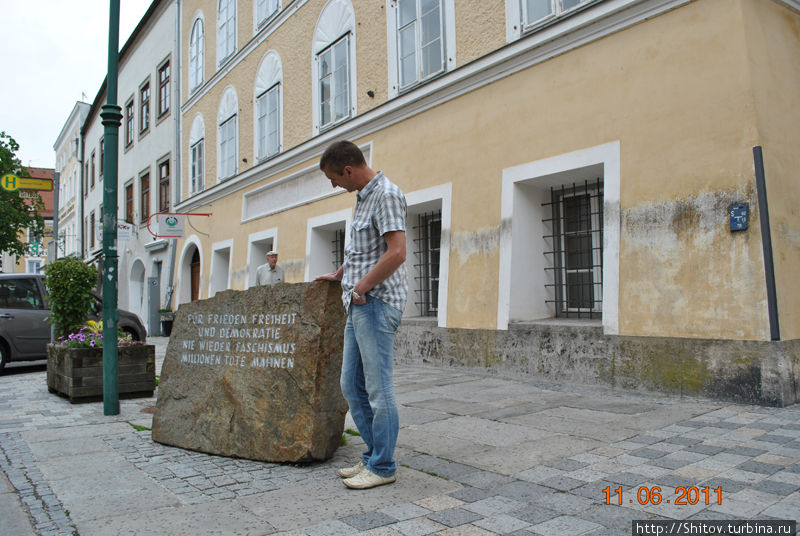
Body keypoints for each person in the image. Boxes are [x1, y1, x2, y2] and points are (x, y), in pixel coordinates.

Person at [315, 140, 407, 490]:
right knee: (350, 386)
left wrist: (361, 287)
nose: (334, 185)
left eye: (334, 178)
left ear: (349, 170)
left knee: (378, 390)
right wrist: (341, 275)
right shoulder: (364, 197)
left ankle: (383, 466)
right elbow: (366, 250)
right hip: (358, 303)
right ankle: (372, 456)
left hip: (376, 303)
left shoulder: (386, 194)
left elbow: (396, 253)